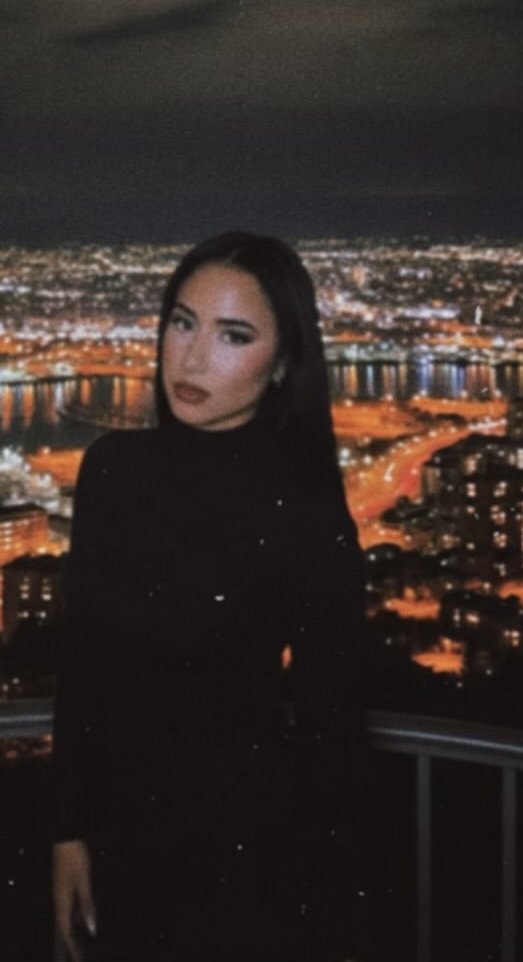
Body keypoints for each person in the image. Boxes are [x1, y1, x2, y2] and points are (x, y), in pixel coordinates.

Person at [52, 232, 370, 961]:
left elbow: (331, 723)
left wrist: (325, 911)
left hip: (246, 855)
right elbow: (82, 665)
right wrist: (66, 833)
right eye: (183, 323)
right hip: (117, 840)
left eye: (233, 336)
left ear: (284, 363)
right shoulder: (113, 470)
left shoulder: (305, 508)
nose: (193, 359)